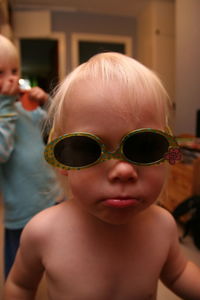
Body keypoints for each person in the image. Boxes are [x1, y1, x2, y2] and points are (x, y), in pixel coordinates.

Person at [4, 52, 200, 300]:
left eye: (144, 146)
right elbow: (20, 286)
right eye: (88, 148)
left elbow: (179, 273)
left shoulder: (162, 226)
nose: (124, 171)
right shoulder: (43, 231)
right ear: (63, 160)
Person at [0, 34, 61, 279]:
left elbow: (56, 121)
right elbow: (2, 152)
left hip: (51, 195)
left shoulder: (21, 109)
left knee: (60, 259)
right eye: (0, 73)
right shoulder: (6, 111)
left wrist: (46, 101)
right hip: (22, 209)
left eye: (14, 70)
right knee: (20, 273)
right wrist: (4, 105)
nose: (12, 78)